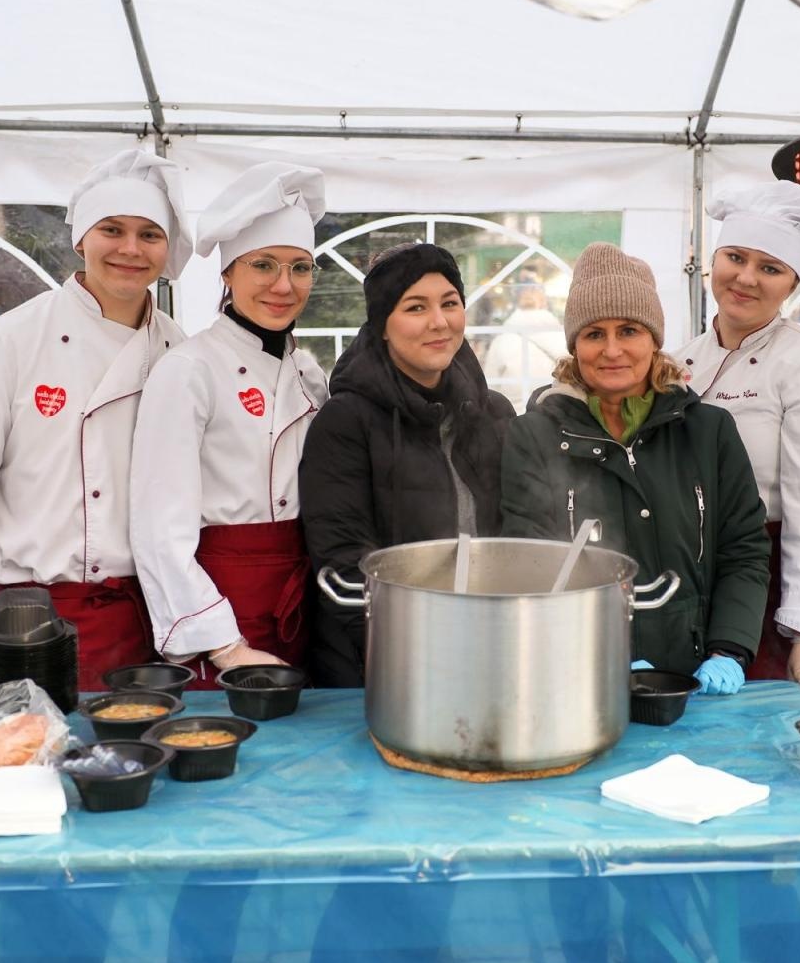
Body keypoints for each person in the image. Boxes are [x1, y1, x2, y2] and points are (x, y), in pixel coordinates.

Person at [0, 150, 188, 686]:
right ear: (80, 238)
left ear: (168, 248)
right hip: (30, 623)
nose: (130, 249)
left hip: (152, 621)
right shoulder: (11, 341)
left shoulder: (179, 351)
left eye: (150, 234)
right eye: (112, 229)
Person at [501, 242, 771, 690]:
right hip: (579, 679)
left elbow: (743, 549)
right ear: (574, 346)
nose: (612, 351)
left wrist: (730, 648)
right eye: (594, 334)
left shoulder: (707, 431)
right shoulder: (535, 436)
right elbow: (529, 564)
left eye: (628, 331)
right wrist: (604, 656)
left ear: (654, 340)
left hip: (694, 677)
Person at [131, 163, 329, 684]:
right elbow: (158, 529)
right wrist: (225, 646)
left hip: (300, 601)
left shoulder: (309, 374)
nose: (284, 286)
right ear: (227, 274)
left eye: (301, 268)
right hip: (221, 610)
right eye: (264, 265)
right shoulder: (189, 370)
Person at [300, 242, 515, 688]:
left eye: (450, 303)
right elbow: (343, 559)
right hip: (378, 664)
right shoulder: (346, 420)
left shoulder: (492, 413)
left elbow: (515, 536)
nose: (439, 322)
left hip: (486, 650)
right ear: (381, 325)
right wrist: (403, 658)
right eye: (415, 307)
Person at [676, 181, 800, 693]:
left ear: (793, 284)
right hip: (688, 571)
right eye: (736, 256)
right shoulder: (682, 359)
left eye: (771, 268)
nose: (746, 278)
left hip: (769, 573)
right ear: (714, 259)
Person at [481, 277, 566, 411]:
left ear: (517, 303)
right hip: (553, 418)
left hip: (513, 420)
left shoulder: (501, 341)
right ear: (544, 302)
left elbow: (488, 389)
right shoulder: (563, 339)